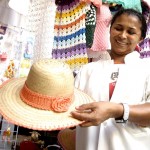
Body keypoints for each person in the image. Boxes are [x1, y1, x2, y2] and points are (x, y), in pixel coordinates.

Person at [58, 8, 150, 150]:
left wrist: (118, 110)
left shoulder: (146, 69)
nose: (123, 35)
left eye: (131, 32)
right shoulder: (88, 70)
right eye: (118, 28)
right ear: (110, 29)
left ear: (141, 38)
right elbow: (70, 111)